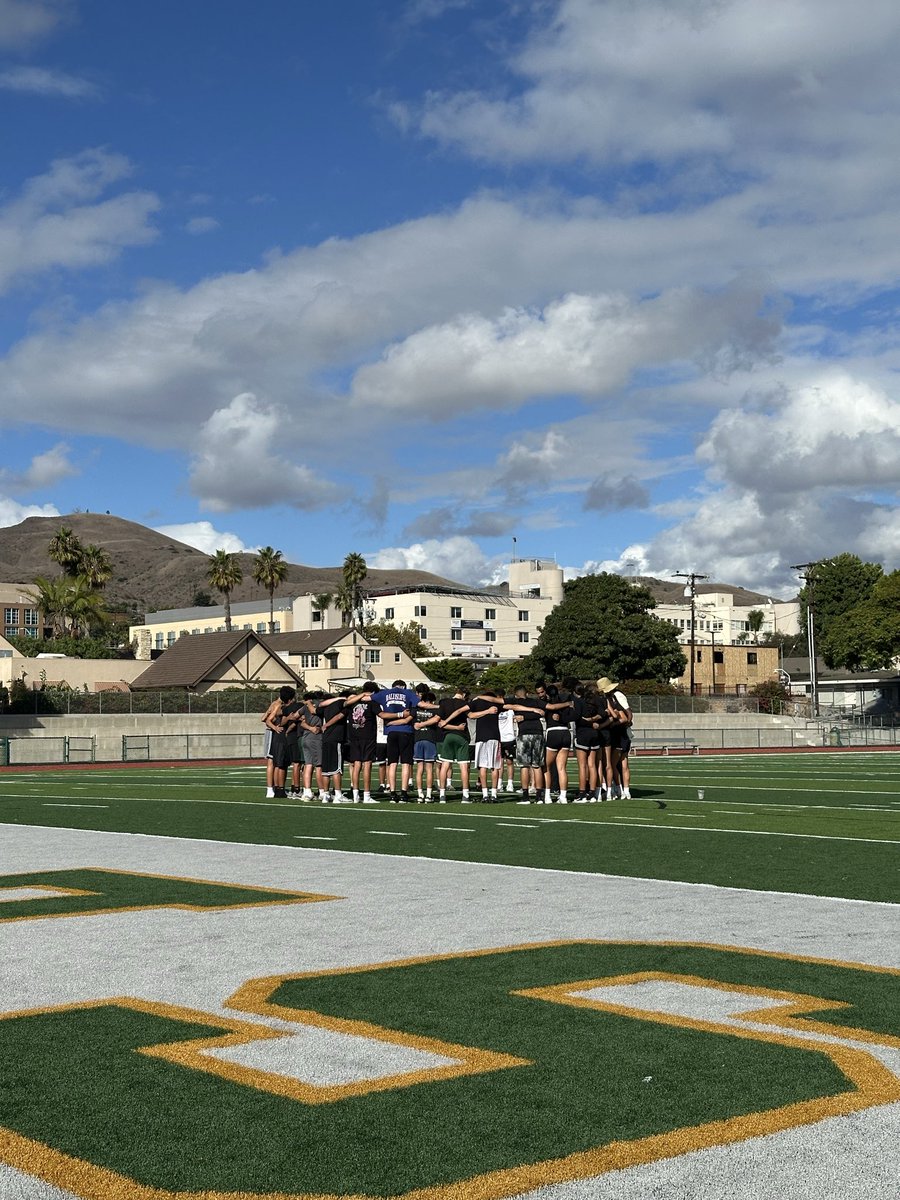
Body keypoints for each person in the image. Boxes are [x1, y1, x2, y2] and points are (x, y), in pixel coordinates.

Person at [371, 679, 421, 801]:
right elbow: (418, 704)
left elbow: (369, 697)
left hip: (391, 732)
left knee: (392, 763)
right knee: (405, 763)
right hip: (406, 731)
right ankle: (403, 792)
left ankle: (392, 792)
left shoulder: (384, 693)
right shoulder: (408, 693)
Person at [505, 685, 545, 801]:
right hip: (538, 733)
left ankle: (525, 796)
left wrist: (524, 717)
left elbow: (503, 704)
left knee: (524, 766)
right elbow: (541, 712)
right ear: (527, 693)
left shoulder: (515, 702)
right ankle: (539, 796)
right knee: (537, 766)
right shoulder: (535, 702)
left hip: (524, 734)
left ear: (515, 695)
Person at [597, 677, 633, 799]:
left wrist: (612, 723)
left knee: (611, 765)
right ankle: (626, 791)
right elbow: (625, 717)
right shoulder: (614, 699)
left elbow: (624, 717)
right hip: (623, 735)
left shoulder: (612, 699)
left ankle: (619, 789)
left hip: (618, 735)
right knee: (623, 764)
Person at [344, 682, 380, 803]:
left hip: (354, 736)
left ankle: (355, 795)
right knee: (367, 764)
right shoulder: (372, 702)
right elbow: (381, 714)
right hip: (368, 736)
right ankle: (366, 795)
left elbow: (346, 703)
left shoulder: (353, 702)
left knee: (357, 764)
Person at [467, 688, 503, 801]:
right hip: (494, 736)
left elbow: (470, 715)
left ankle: (485, 794)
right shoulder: (496, 704)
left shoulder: (477, 702)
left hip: (481, 737)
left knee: (483, 766)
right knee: (494, 766)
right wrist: (488, 711)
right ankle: (494, 794)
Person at [436, 688, 471, 801]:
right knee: (463, 766)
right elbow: (471, 715)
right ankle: (465, 795)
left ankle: (442, 794)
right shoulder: (464, 704)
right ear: (464, 695)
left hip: (448, 736)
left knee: (445, 765)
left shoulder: (444, 703)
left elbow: (440, 723)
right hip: (462, 736)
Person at [543, 684, 573, 803]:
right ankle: (563, 796)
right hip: (566, 732)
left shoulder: (547, 704)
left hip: (553, 732)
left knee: (546, 766)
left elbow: (550, 708)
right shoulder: (565, 703)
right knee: (561, 768)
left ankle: (547, 796)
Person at [317, 690, 349, 802]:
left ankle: (325, 794)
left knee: (326, 769)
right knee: (336, 768)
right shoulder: (342, 705)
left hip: (326, 739)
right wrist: (327, 725)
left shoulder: (325, 708)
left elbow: (317, 706)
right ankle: (338, 794)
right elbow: (339, 716)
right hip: (336, 738)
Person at [413, 688, 441, 801]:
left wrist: (420, 725)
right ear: (432, 701)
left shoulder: (416, 709)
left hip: (418, 739)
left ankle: (420, 794)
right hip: (430, 739)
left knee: (420, 768)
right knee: (429, 768)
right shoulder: (435, 710)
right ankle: (429, 794)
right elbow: (436, 720)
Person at [298, 693, 324, 800]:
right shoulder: (319, 705)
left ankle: (307, 791)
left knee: (308, 765)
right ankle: (322, 792)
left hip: (305, 737)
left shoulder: (304, 707)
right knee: (319, 765)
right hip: (315, 738)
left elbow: (296, 716)